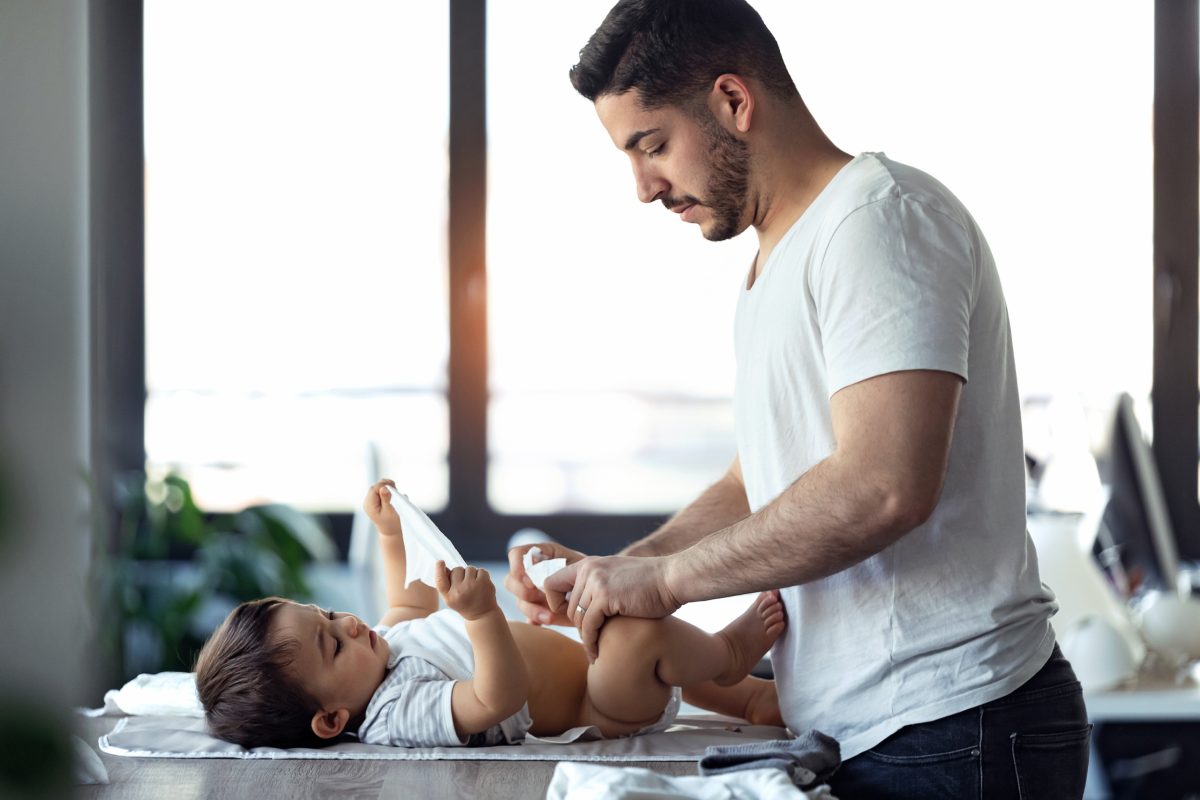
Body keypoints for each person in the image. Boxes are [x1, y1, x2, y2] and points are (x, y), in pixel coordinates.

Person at [504, 1, 1091, 796]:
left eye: (653, 145)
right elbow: (765, 482)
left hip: (956, 725)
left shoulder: (878, 221)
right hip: (876, 730)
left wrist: (670, 584)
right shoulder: (777, 261)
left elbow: (883, 485)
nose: (643, 188)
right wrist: (627, 568)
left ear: (732, 102)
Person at [194, 479, 785, 749]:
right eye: (333, 645)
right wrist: (481, 618)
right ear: (329, 719)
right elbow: (494, 699)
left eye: (326, 614)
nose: (349, 624)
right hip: (602, 704)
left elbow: (409, 601)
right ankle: (731, 656)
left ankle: (751, 701)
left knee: (607, 617)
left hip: (588, 662)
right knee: (631, 634)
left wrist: (392, 535)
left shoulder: (383, 649)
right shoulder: (395, 713)